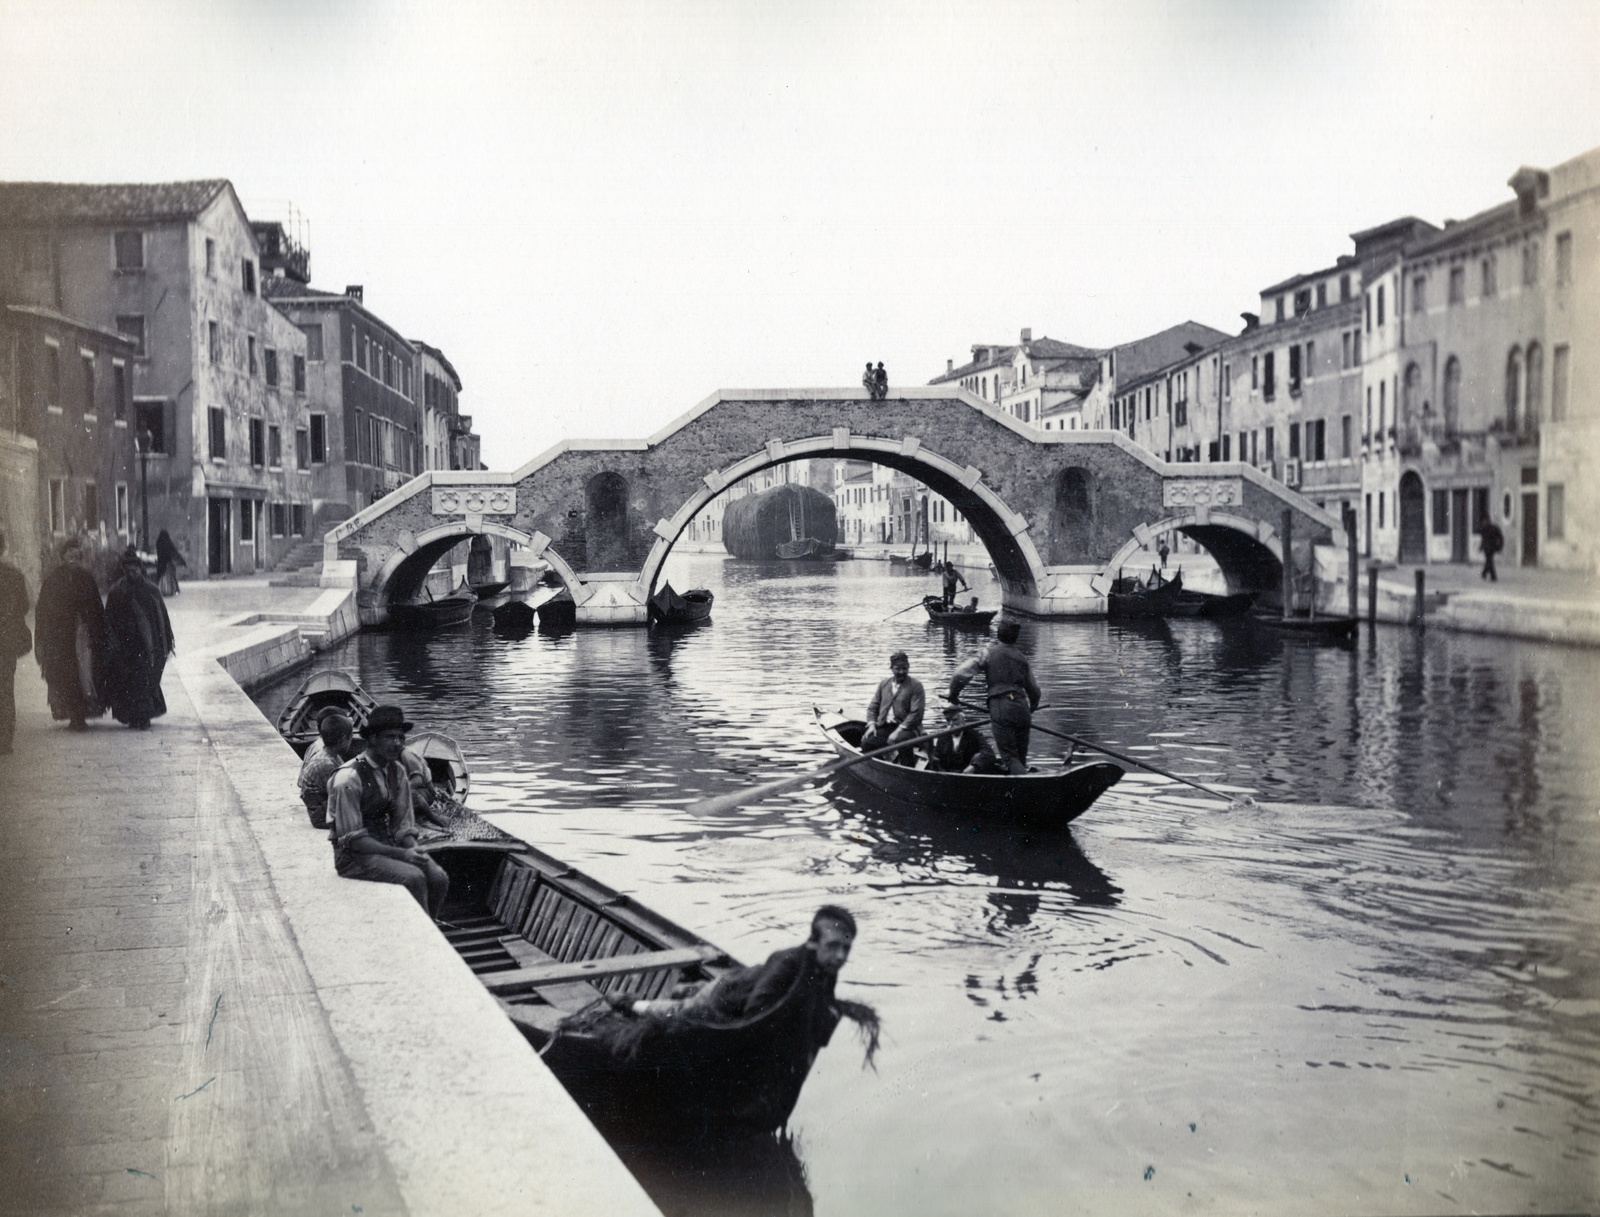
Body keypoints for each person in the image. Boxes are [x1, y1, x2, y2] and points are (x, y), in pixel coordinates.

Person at [629, 905, 856, 1045]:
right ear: (814, 943)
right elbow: (755, 1012)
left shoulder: (826, 968)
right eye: (833, 946)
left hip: (742, 982)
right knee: (679, 1012)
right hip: (723, 996)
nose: (840, 956)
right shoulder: (787, 963)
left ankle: (687, 987)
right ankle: (631, 1003)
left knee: (691, 996)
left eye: (846, 948)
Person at [326, 704, 450, 917]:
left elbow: (402, 825)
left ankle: (432, 926)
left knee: (438, 877)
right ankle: (420, 936)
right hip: (353, 856)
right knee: (415, 877)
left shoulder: (397, 770)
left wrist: (414, 849)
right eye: (390, 737)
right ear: (372, 739)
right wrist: (403, 854)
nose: (398, 744)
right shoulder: (348, 778)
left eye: (401, 738)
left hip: (384, 845)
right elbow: (353, 840)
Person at [947, 618, 1040, 775]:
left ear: (998, 634)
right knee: (1020, 759)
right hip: (1022, 707)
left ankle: (1031, 791)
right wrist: (1032, 708)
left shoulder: (988, 653)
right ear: (1016, 637)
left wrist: (954, 695)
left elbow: (959, 675)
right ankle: (1018, 792)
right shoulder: (1022, 658)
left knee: (1010, 758)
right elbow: (1035, 692)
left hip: (1001, 706)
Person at [33, 539, 107, 731]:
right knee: (66, 676)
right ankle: (73, 714)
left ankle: (81, 714)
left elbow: (96, 607)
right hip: (61, 639)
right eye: (69, 555)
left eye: (77, 556)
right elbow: (43, 611)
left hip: (83, 638)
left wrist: (96, 629)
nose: (73, 559)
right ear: (62, 557)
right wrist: (43, 637)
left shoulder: (86, 578)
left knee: (85, 675)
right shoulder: (53, 580)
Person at [101, 545, 174, 730]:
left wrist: (165, 640)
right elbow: (108, 618)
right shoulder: (116, 591)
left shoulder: (151, 590)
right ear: (124, 570)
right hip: (124, 646)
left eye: (135, 569)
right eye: (128, 570)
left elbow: (161, 619)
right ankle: (134, 717)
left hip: (146, 646)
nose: (131, 573)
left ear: (140, 569)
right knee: (128, 682)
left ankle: (143, 717)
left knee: (144, 681)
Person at [861, 650, 925, 764]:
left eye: (905, 668)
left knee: (902, 741)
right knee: (867, 743)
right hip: (885, 726)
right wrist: (871, 725)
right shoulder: (884, 684)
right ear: (891, 668)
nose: (901, 672)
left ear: (908, 667)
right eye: (897, 669)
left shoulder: (916, 686)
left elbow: (916, 714)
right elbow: (873, 707)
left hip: (909, 728)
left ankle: (907, 769)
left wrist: (897, 732)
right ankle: (883, 767)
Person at [0, 530, 31, 755]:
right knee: (6, 690)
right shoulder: (14, 575)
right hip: (6, 642)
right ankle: (5, 740)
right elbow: (24, 607)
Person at [299, 710, 354, 829]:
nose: (351, 742)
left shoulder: (332, 755)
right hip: (322, 816)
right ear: (344, 739)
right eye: (351, 738)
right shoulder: (325, 764)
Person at [930, 703, 999, 774]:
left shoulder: (974, 735)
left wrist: (974, 766)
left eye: (955, 720)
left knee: (978, 756)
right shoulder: (943, 737)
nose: (951, 724)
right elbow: (937, 756)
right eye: (948, 721)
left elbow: (989, 753)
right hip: (949, 776)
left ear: (963, 720)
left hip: (968, 776)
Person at [154, 529, 187, 596]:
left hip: (161, 562)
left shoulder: (158, 542)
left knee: (162, 576)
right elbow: (174, 553)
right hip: (168, 563)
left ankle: (162, 590)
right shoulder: (168, 542)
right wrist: (182, 561)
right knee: (169, 577)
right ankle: (169, 591)